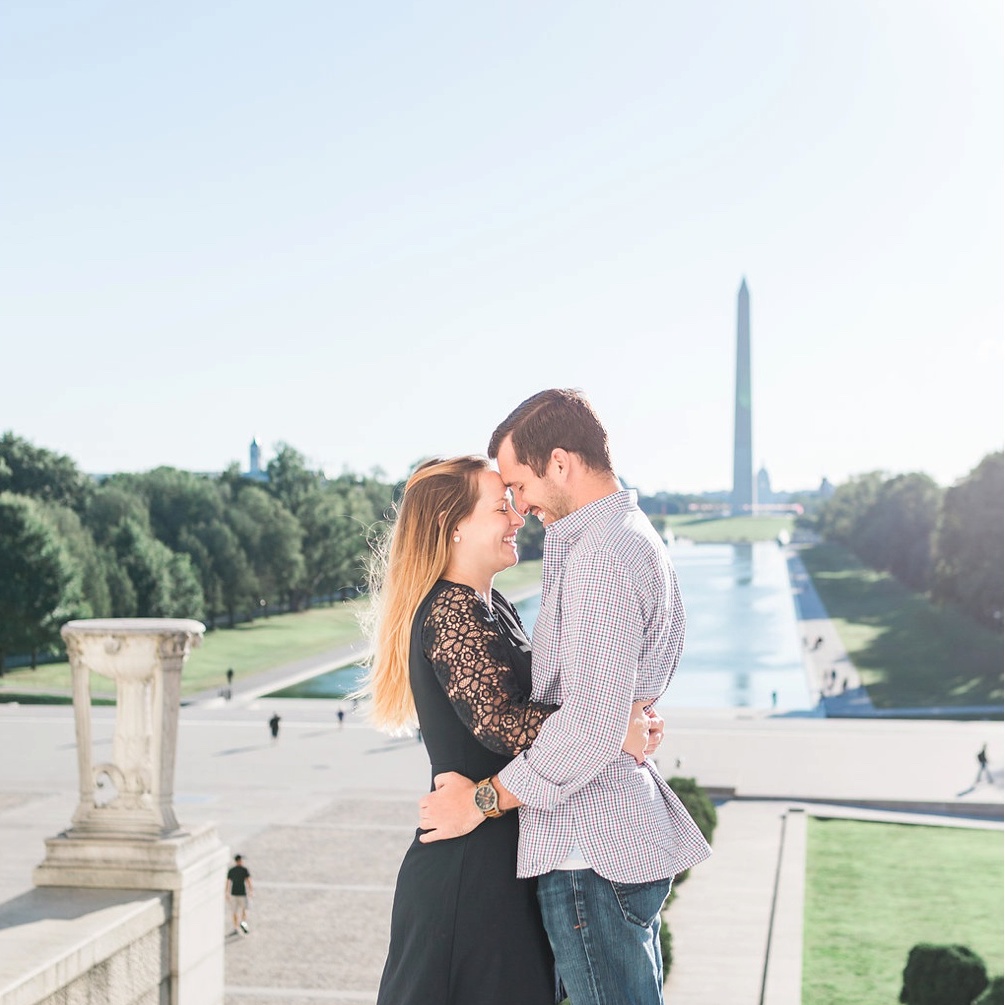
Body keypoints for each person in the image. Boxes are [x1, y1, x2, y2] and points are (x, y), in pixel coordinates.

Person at [419, 389, 711, 1005]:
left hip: (589, 845)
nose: (519, 504)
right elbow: (605, 714)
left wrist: (481, 800)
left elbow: (589, 726)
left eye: (518, 486)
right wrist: (621, 726)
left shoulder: (600, 556)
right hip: (603, 839)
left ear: (560, 464)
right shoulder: (626, 536)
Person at [363, 456, 656, 1005]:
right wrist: (613, 725)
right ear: (454, 527)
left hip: (498, 859)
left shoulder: (488, 604)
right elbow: (505, 726)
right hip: (469, 876)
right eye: (501, 506)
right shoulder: (451, 611)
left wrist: (617, 708)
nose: (518, 514)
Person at [226, 854, 252, 935]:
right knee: (239, 911)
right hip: (239, 893)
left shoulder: (233, 870)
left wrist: (227, 892)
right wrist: (250, 891)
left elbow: (228, 882)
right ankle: (239, 925)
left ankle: (239, 925)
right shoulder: (243, 870)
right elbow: (248, 881)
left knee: (239, 910)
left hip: (237, 893)